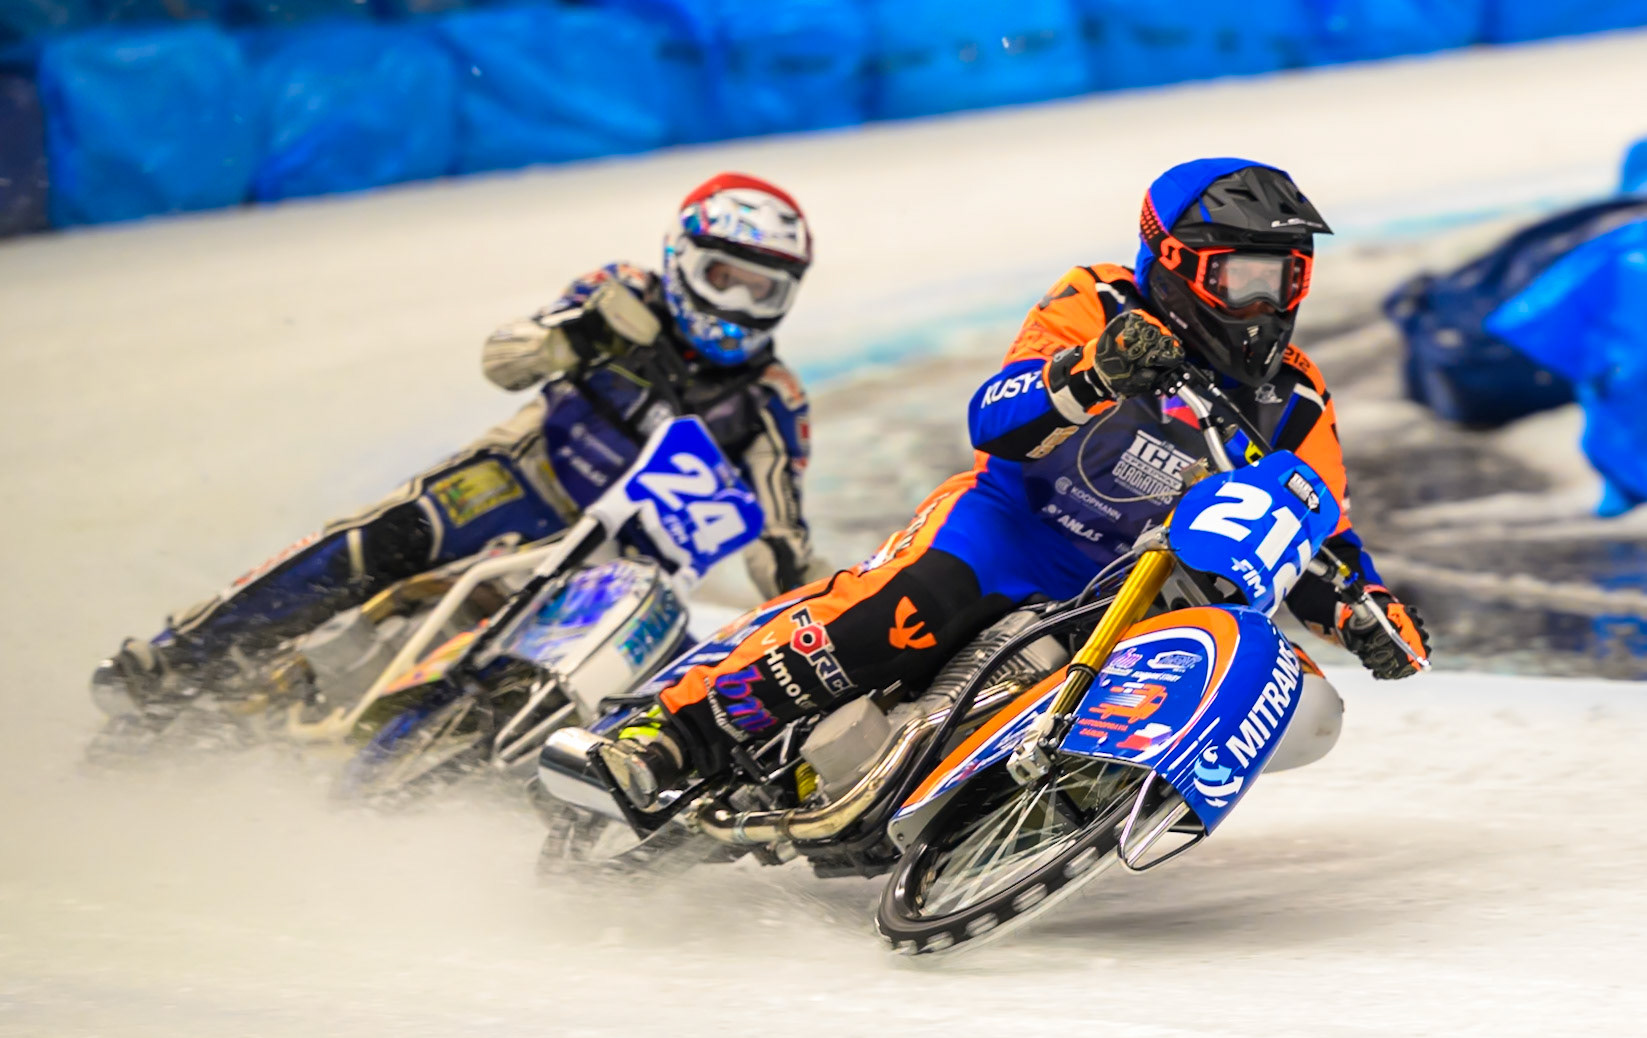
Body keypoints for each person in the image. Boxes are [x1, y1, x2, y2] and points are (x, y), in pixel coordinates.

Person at [599, 157, 1432, 809]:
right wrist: (1091, 372)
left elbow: (1316, 526)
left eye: (1283, 279)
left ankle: (1041, 804)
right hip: (1016, 525)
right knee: (901, 608)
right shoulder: (1095, 301)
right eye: (1242, 279)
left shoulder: (1296, 394)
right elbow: (993, 417)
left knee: (1284, 704)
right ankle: (672, 730)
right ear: (1175, 263)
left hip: (1144, 591)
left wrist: (1365, 611)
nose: (1264, 304)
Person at [93, 172, 830, 717]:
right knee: (375, 539)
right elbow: (502, 359)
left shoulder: (772, 399)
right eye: (722, 278)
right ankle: (183, 656)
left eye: (760, 291)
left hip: (618, 559)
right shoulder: (619, 292)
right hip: (525, 474)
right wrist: (577, 336)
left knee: (587, 680)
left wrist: (820, 609)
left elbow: (777, 537)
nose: (735, 304)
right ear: (680, 259)